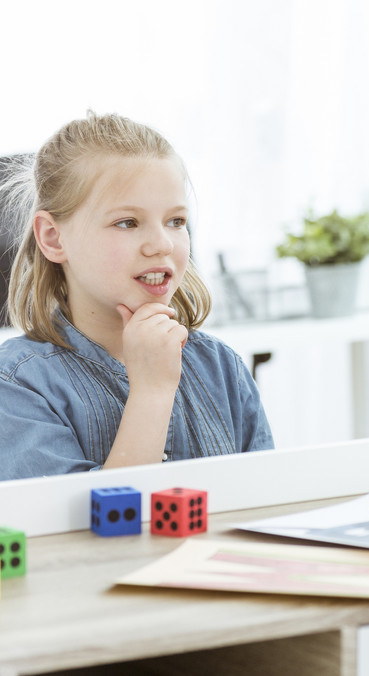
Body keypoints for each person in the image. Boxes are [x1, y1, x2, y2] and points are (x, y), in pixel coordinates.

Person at [0, 112, 273, 480]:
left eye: (176, 221)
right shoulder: (17, 384)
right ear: (52, 237)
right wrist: (151, 394)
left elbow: (265, 503)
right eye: (127, 222)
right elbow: (86, 532)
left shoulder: (222, 368)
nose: (162, 244)